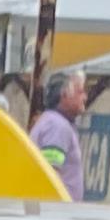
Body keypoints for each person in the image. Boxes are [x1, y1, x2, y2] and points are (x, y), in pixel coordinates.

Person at [30, 70, 92, 200]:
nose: (85, 97)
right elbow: (51, 175)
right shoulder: (57, 126)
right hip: (57, 213)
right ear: (64, 95)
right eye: (80, 92)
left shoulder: (52, 121)